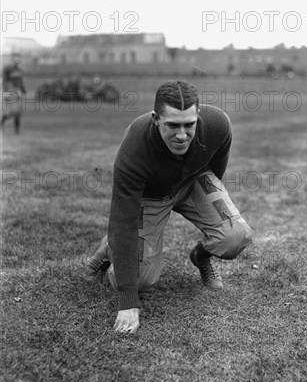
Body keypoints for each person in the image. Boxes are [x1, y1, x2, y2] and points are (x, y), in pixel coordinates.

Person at [87, 80, 253, 334]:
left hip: (194, 180)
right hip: (151, 196)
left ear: (198, 116)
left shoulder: (218, 124)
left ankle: (201, 256)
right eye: (172, 125)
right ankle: (108, 249)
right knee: (141, 279)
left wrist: (207, 206)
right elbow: (123, 220)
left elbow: (216, 168)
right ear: (156, 119)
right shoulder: (135, 149)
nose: (182, 135)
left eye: (189, 125)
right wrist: (128, 302)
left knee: (236, 236)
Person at [2, 53, 26, 134]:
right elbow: (5, 81)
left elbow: (21, 81)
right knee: (13, 112)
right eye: (15, 60)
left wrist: (23, 89)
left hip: (17, 91)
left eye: (18, 60)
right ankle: (2, 123)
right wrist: (5, 92)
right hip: (9, 91)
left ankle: (17, 130)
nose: (17, 62)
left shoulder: (20, 70)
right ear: (12, 60)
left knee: (18, 112)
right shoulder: (7, 69)